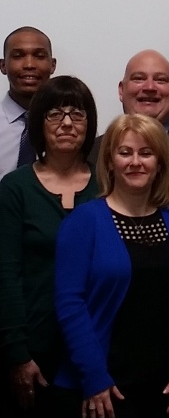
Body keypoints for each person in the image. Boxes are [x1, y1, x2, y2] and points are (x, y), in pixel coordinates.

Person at [53, 113, 169, 418]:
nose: (136, 162)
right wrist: (94, 378)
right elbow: (69, 304)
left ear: (160, 162)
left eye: (146, 153)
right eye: (125, 152)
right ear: (109, 161)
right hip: (104, 389)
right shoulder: (84, 222)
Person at [0, 76, 98, 417]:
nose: (67, 123)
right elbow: (6, 274)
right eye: (55, 114)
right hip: (33, 349)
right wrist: (18, 354)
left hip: (96, 347)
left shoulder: (108, 184)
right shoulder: (15, 188)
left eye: (78, 113)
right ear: (39, 122)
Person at [89, 49, 169, 215]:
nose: (149, 87)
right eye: (139, 78)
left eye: (160, 80)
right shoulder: (93, 151)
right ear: (121, 90)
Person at [0, 26, 56, 180]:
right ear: (3, 66)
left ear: (53, 65)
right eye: (18, 56)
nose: (29, 64)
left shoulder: (73, 127)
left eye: (39, 56)